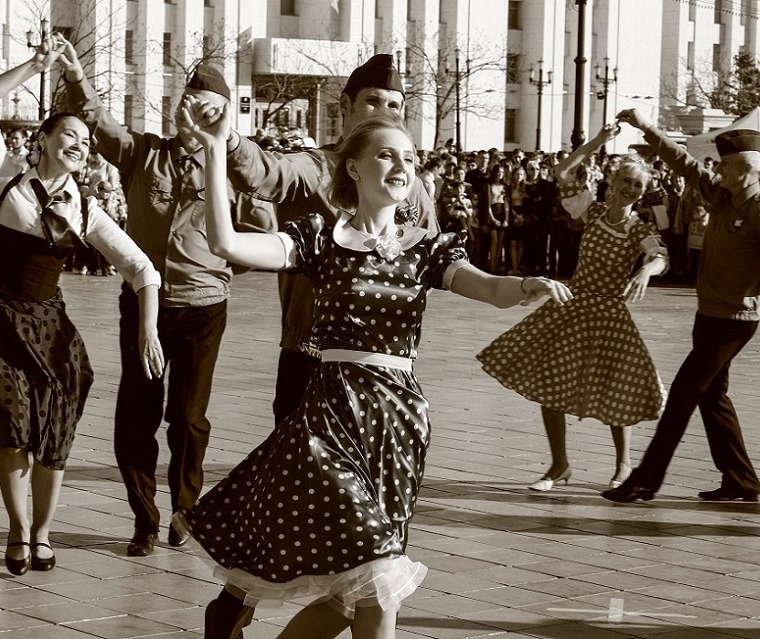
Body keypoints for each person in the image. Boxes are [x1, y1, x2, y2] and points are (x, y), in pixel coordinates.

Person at [176, 107, 573, 639]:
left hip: (399, 422)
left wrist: (528, 285)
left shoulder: (427, 248)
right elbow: (227, 244)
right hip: (331, 417)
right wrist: (215, 148)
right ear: (354, 169)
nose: (400, 165)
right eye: (385, 154)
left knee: (352, 597)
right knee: (380, 574)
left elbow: (489, 287)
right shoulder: (321, 238)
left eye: (408, 157)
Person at [58, 36, 273, 556]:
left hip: (203, 309)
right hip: (143, 305)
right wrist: (73, 76)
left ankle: (185, 509)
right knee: (137, 413)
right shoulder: (143, 155)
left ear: (219, 114)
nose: (187, 111)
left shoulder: (230, 172)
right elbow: (99, 120)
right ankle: (144, 520)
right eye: (183, 100)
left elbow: (262, 233)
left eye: (202, 105)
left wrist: (219, 270)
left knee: (188, 416)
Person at [0, 41, 163, 575]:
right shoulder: (1, 177)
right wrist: (35, 68)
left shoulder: (86, 207)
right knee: (13, 423)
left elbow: (143, 270)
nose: (81, 146)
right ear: (41, 138)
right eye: (70, 134)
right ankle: (18, 532)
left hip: (50, 328)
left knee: (55, 430)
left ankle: (43, 533)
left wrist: (147, 331)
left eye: (87, 141)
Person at [211, 53, 438, 429]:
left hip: (381, 361)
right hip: (313, 353)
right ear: (345, 107)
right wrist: (230, 140)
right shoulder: (317, 168)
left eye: (395, 105)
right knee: (298, 474)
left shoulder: (409, 186)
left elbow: (433, 259)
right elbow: (265, 172)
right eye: (372, 101)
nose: (385, 112)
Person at [603, 111, 760, 504]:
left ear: (744, 169)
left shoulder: (759, 210)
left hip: (734, 321)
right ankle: (741, 480)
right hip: (710, 314)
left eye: (724, 165)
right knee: (712, 397)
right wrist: (646, 128)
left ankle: (645, 479)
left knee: (682, 394)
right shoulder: (722, 193)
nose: (717, 169)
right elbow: (684, 162)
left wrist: (755, 286)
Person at [477, 125, 668, 491]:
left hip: (610, 315)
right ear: (613, 182)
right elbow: (562, 173)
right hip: (573, 306)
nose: (630, 190)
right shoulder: (593, 212)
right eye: (626, 181)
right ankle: (559, 465)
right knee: (551, 383)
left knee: (618, 389)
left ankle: (624, 466)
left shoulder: (637, 228)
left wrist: (648, 268)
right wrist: (597, 142)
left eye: (638, 186)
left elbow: (659, 254)